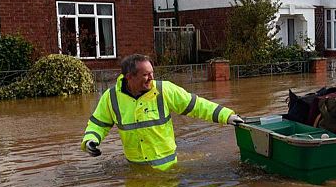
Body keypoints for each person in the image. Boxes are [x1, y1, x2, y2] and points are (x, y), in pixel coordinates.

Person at [81, 54, 243, 170]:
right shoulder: (111, 97)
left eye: (152, 73)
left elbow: (197, 105)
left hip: (168, 169)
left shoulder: (164, 90)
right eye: (146, 75)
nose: (151, 78)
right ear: (129, 77)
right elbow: (98, 124)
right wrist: (90, 140)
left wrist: (227, 116)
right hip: (136, 169)